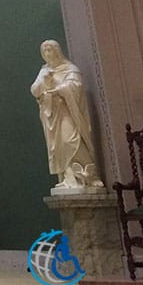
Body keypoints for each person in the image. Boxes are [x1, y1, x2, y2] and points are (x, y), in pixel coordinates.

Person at [30, 40, 104, 190]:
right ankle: (69, 177)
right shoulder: (44, 71)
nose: (47, 54)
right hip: (52, 114)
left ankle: (90, 175)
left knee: (70, 140)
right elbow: (34, 90)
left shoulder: (70, 69)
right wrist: (43, 80)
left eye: (50, 50)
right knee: (59, 146)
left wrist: (59, 90)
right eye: (44, 51)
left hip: (67, 111)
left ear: (57, 51)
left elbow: (75, 86)